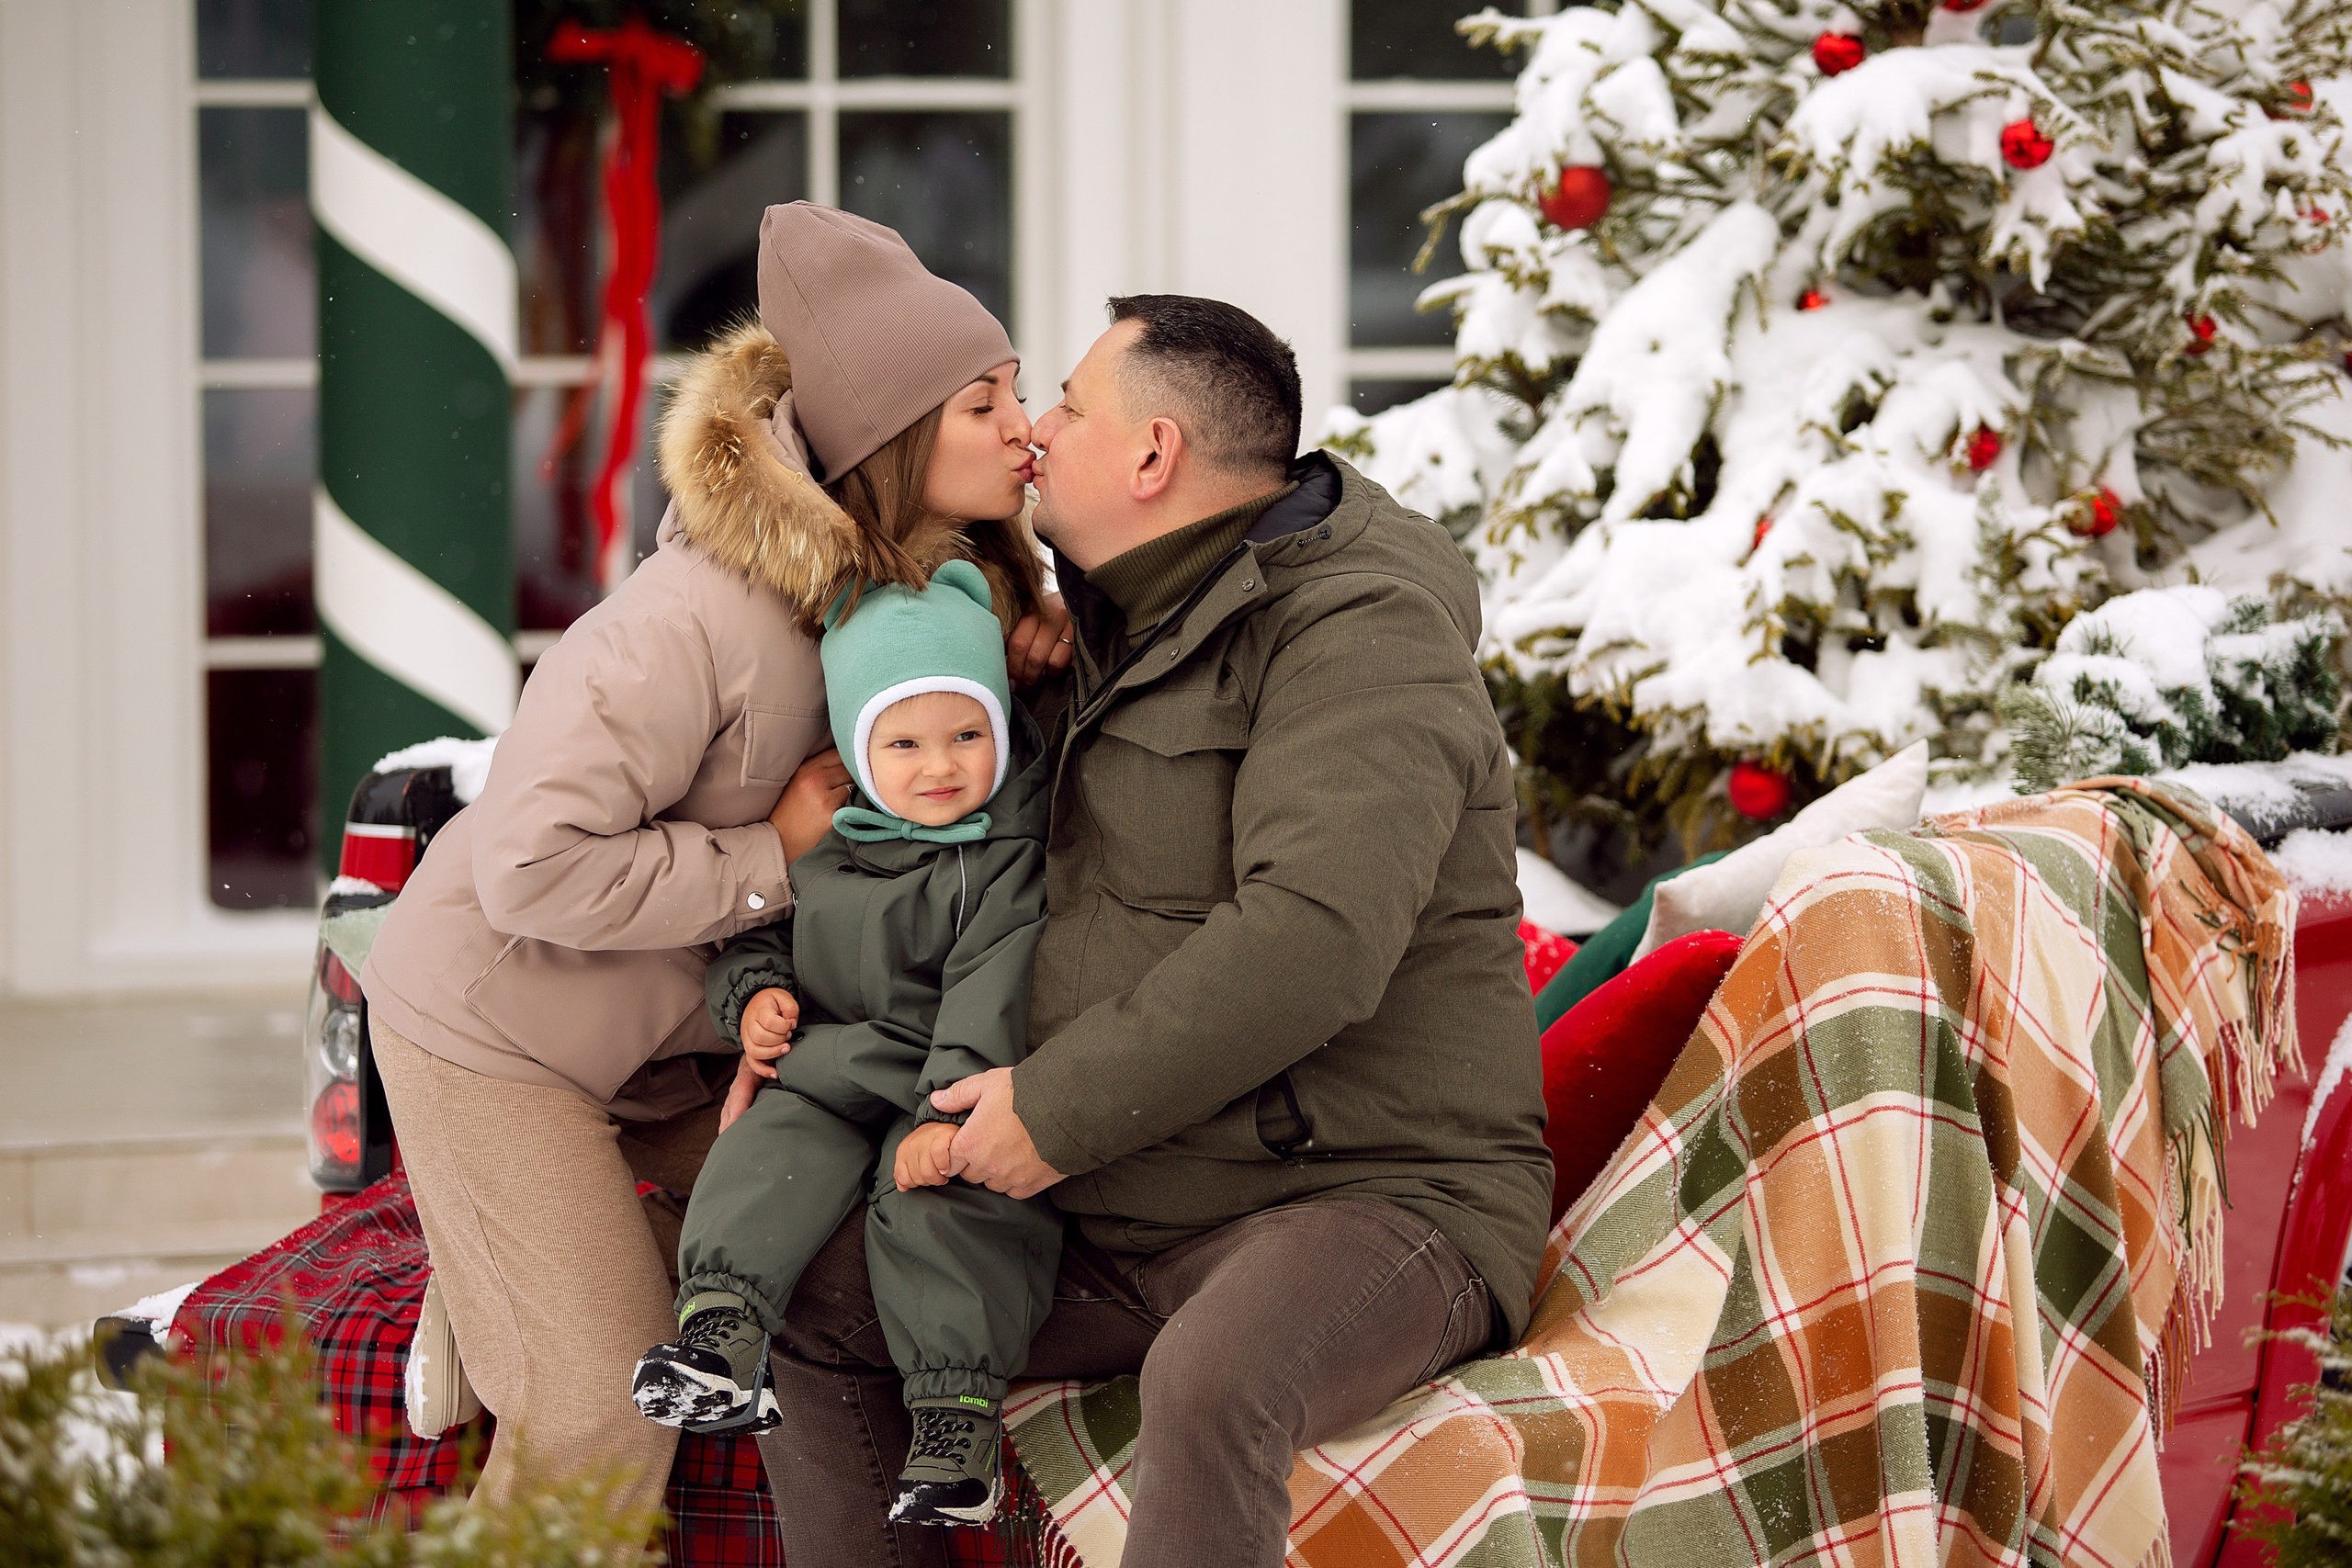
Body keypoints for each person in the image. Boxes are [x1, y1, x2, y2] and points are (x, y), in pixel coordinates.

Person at [753, 294, 1554, 1568]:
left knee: (1215, 1377)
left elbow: (1312, 935)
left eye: (1067, 404)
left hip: (1365, 1189)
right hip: (1134, 1194)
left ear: (1151, 456)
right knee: (816, 1292)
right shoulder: (1113, 614)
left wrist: (1055, 1112)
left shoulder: (1361, 631)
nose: (1034, 433)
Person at [357, 201, 1069, 1519]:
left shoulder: (942, 592)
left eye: (1023, 391)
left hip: (693, 1024)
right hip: (495, 1021)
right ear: (894, 438)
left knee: (853, 1230)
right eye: (988, 402)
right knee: (601, 1396)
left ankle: (505, 1272)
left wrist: (1036, 640)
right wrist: (772, 854)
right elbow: (526, 868)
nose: (1026, 428)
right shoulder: (686, 623)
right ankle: (519, 1294)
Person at [629, 558, 1057, 1532]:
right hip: (829, 1068)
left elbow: (994, 989)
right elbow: (756, 932)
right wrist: (755, 998)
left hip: (941, 1085)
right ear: (858, 750)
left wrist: (948, 1114)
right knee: (764, 1153)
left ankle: (956, 1424)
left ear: (1000, 727)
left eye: (965, 734)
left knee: (944, 1211)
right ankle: (721, 1332)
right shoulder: (824, 839)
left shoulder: (1003, 861)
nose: (938, 765)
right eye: (901, 741)